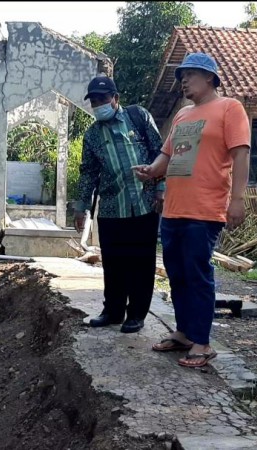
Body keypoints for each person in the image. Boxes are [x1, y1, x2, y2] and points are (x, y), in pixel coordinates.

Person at [133, 53, 251, 367]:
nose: (183, 80)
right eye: (181, 75)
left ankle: (202, 342)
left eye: (190, 74)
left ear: (210, 77)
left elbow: (241, 155)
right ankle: (184, 333)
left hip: (205, 209)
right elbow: (166, 156)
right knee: (177, 274)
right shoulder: (183, 115)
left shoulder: (230, 108)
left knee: (197, 275)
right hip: (173, 209)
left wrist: (237, 200)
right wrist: (151, 170)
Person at [74, 75, 165, 334]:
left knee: (141, 261)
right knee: (113, 263)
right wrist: (81, 207)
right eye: (93, 101)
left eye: (102, 99)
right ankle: (113, 311)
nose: (97, 104)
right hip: (112, 207)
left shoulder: (139, 117)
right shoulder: (92, 135)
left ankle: (136, 314)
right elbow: (88, 172)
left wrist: (160, 189)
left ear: (115, 99)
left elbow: (160, 152)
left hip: (144, 204)